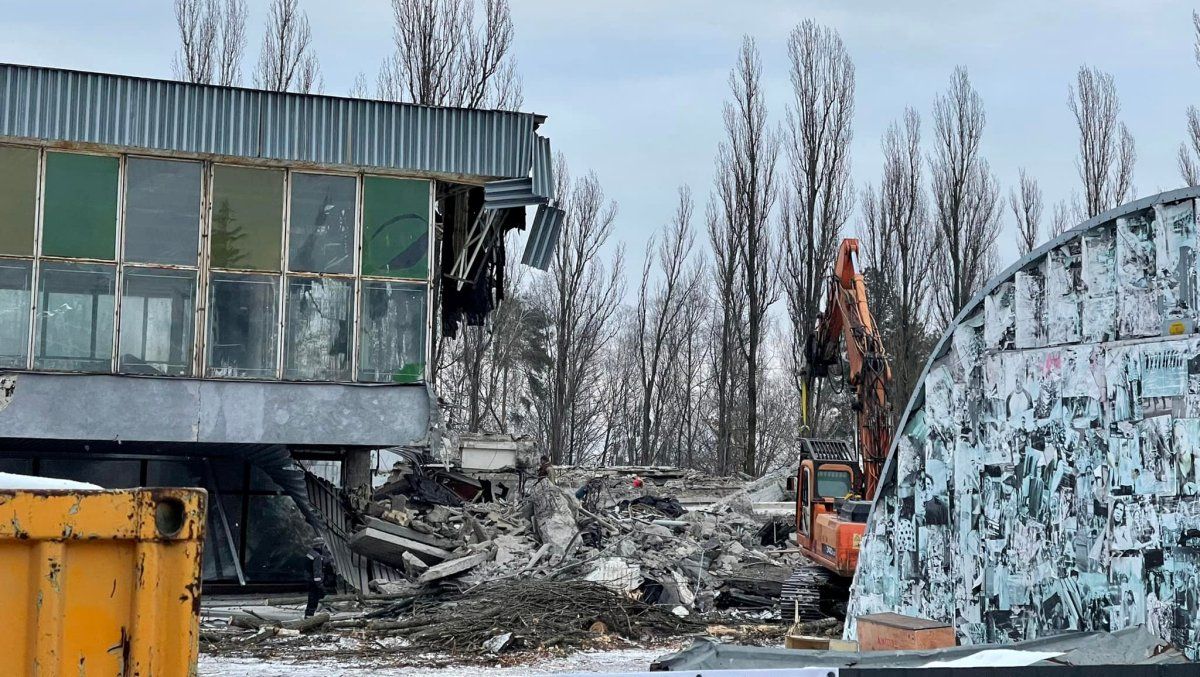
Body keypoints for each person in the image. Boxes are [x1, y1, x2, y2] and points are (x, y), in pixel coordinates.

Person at [305, 537, 334, 617]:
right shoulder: (317, 557)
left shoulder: (310, 553)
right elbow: (317, 572)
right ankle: (310, 616)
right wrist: (320, 584)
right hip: (315, 583)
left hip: (309, 580)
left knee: (311, 599)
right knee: (315, 599)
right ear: (320, 546)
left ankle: (308, 615)